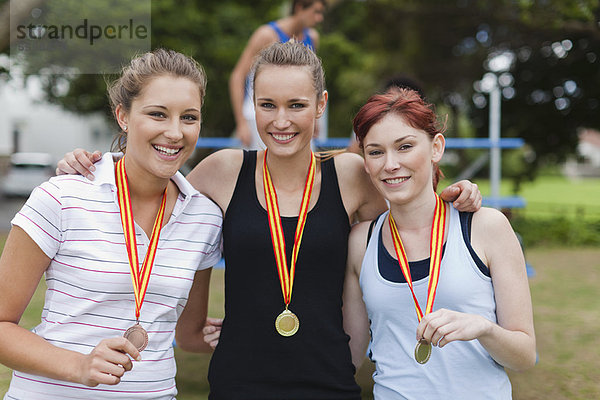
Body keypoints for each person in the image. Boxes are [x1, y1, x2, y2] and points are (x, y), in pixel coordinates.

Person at [55, 41, 482, 399]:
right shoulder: (223, 171)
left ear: (320, 104)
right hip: (238, 383)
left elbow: (410, 220)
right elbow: (142, 193)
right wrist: (92, 164)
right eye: (267, 105)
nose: (281, 121)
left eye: (297, 105)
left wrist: (457, 194)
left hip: (330, 381)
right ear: (252, 105)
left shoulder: (350, 176)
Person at [0, 49, 222, 399]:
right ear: (123, 115)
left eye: (189, 117)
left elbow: (189, 334)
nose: (175, 132)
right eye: (158, 114)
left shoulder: (205, 218)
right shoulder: (61, 196)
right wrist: (79, 365)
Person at [343, 88, 536, 399]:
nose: (390, 164)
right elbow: (348, 356)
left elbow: (524, 356)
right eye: (375, 151)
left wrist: (483, 328)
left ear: (436, 147)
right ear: (365, 161)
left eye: (404, 146)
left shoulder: (486, 227)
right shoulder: (360, 242)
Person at [230, 0, 326, 149]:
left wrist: (316, 118)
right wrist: (241, 122)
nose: (320, 18)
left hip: (297, 115)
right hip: (262, 116)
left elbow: (313, 81)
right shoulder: (266, 35)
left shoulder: (312, 37)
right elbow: (237, 77)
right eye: (316, 11)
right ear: (300, 7)